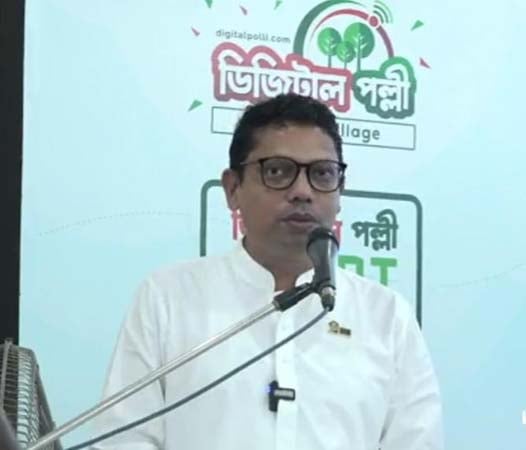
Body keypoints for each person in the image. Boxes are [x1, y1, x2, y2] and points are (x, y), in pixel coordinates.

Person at [93, 93, 444, 449]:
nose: (303, 191)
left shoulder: (386, 316)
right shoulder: (169, 297)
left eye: (322, 174)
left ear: (340, 191)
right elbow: (123, 440)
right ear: (233, 189)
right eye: (277, 171)